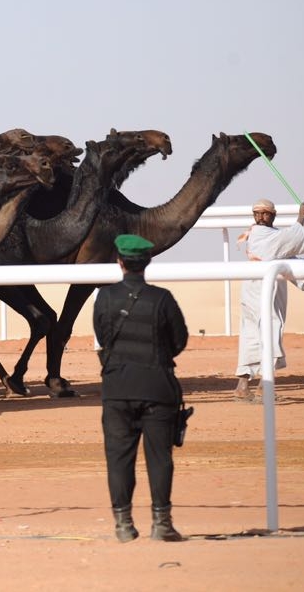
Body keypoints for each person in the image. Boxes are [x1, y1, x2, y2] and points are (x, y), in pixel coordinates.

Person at [93, 233, 189, 543]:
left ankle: (123, 524)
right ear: (146, 262)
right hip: (157, 387)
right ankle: (162, 524)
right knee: (159, 457)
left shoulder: (104, 298)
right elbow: (179, 341)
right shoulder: (162, 299)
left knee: (119, 458)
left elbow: (103, 337)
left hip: (117, 387)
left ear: (120, 262)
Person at [234, 199, 304, 400]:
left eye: (265, 213)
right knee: (268, 333)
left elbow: (285, 255)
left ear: (273, 215)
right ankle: (263, 388)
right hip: (262, 292)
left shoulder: (271, 239)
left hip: (257, 290)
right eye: (257, 213)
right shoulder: (262, 235)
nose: (260, 217)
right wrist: (301, 217)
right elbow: (289, 241)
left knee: (253, 335)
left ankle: (243, 387)